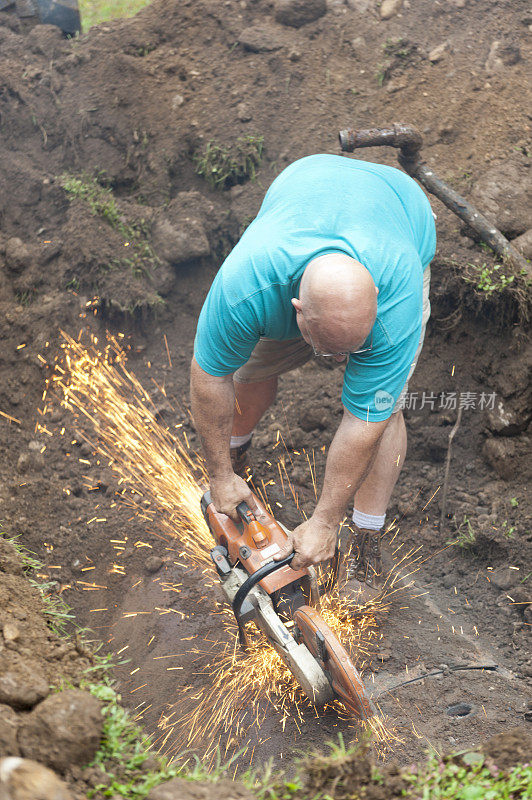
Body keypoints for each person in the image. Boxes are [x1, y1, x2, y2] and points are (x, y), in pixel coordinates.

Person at [190, 154, 436, 603]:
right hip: (308, 186)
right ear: (296, 309)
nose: (335, 362)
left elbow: (366, 421)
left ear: (375, 303)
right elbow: (210, 375)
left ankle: (365, 542)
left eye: (348, 351)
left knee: (386, 410)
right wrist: (219, 475)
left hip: (402, 212)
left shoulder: (394, 300)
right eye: (326, 349)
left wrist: (325, 521)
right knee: (248, 368)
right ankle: (234, 460)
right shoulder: (248, 286)